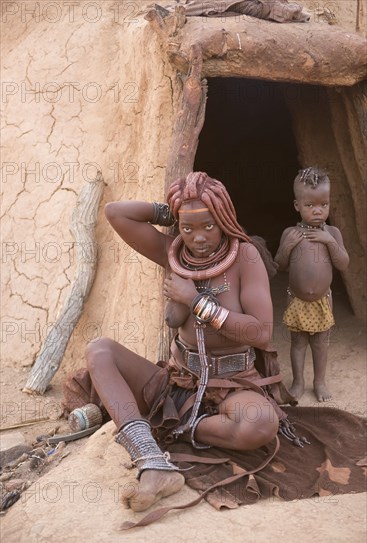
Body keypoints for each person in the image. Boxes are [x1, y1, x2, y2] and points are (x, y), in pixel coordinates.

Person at [85, 171, 287, 514]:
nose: (199, 238)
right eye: (188, 228)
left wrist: (196, 302)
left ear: (224, 218)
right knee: (99, 350)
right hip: (177, 382)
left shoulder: (246, 258)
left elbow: (261, 332)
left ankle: (168, 425)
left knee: (261, 423)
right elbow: (116, 212)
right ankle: (151, 460)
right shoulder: (174, 252)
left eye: (208, 225)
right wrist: (175, 211)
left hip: (233, 386)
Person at [274, 167, 349, 402]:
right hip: (296, 299)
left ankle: (319, 382)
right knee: (297, 343)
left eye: (323, 205)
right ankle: (298, 381)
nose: (318, 211)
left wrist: (330, 242)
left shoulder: (333, 233)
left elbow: (343, 263)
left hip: (322, 300)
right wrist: (287, 247)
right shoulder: (290, 233)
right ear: (297, 205)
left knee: (320, 344)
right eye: (310, 205)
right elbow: (279, 265)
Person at [157, 0, 310, 23]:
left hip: (261, 7)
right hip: (257, 5)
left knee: (217, 3)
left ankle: (174, 12)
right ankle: (176, 10)